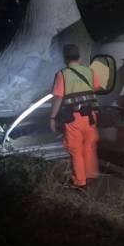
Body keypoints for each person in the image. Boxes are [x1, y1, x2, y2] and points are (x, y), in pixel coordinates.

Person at [49, 44, 101, 190]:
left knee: (75, 150)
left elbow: (58, 98)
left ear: (65, 57)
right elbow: (97, 88)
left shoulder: (62, 74)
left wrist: (52, 118)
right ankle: (90, 176)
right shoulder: (89, 71)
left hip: (74, 118)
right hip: (91, 116)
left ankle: (80, 181)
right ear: (78, 56)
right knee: (89, 147)